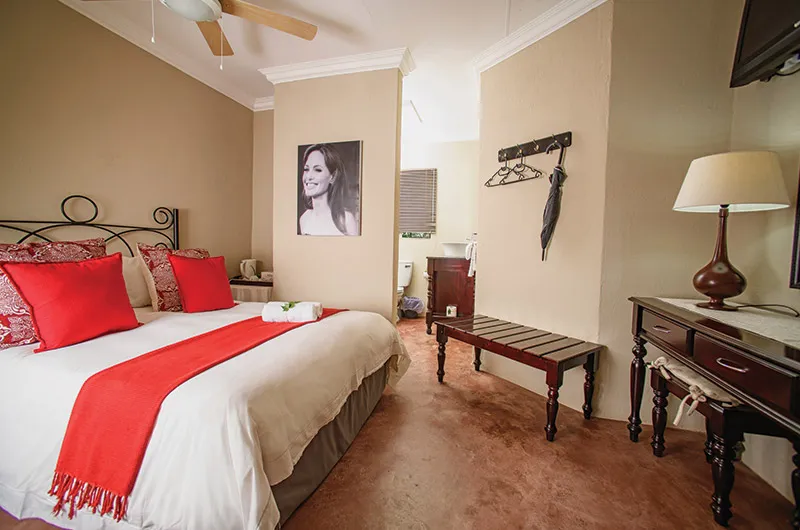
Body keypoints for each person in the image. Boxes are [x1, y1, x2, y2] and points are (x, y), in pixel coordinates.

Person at [298, 143, 359, 236]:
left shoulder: (346, 220)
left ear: (333, 177)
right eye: (306, 169)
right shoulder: (304, 219)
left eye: (317, 170)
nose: (308, 176)